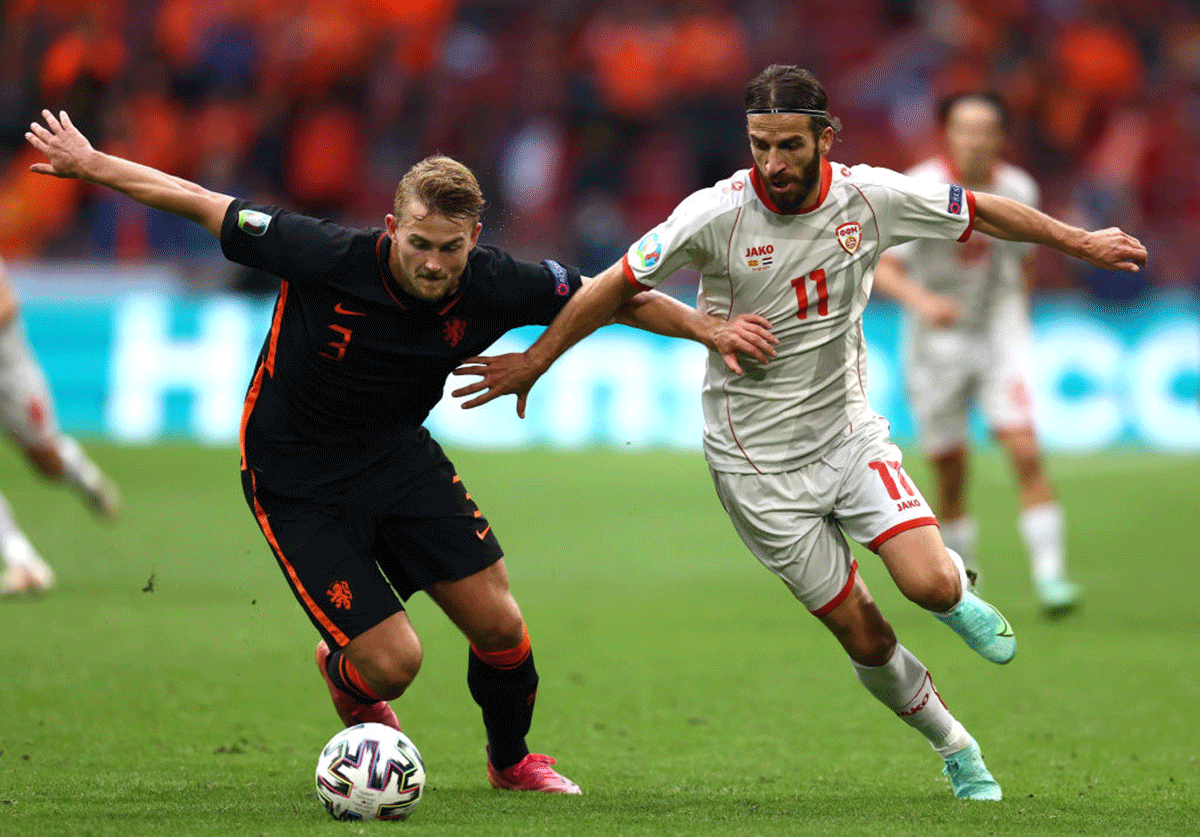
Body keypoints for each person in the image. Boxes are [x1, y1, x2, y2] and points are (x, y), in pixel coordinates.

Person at [24, 108, 776, 794]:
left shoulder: (491, 283)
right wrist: (93, 164)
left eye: (450, 249)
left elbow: (616, 292)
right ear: (391, 227)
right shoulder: (324, 254)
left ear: (473, 240)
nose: (432, 263)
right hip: (294, 478)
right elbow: (196, 199)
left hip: (396, 457)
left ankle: (511, 762)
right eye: (418, 243)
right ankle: (345, 674)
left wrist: (706, 329)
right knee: (395, 663)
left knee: (501, 626)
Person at [451, 65, 1147, 801]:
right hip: (756, 471)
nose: (774, 164)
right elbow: (616, 284)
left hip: (847, 435)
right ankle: (958, 747)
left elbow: (980, 210)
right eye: (760, 146)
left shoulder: (871, 198)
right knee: (867, 635)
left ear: (825, 136)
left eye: (789, 145)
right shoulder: (712, 213)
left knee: (932, 581)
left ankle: (954, 595)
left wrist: (1081, 242)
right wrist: (537, 358)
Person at [872, 92, 1079, 614]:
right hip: (933, 342)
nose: (975, 138)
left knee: (1025, 449)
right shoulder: (918, 188)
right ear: (947, 134)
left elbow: (1025, 261)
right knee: (950, 471)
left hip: (994, 334)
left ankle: (1052, 579)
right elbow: (881, 265)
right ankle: (966, 584)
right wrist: (923, 301)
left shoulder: (1017, 188)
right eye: (965, 128)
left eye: (986, 128)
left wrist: (1018, 325)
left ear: (1001, 137)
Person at [0, 255, 120, 595]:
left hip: (10, 378)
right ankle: (24, 563)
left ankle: (81, 473)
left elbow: (8, 302)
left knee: (46, 463)